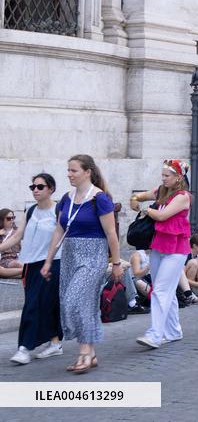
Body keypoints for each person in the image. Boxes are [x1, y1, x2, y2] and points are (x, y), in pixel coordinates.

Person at [41, 155, 122, 374]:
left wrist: (116, 262)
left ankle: (85, 353)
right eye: (68, 170)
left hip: (93, 255)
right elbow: (59, 230)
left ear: (87, 172)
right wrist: (48, 260)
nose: (69, 174)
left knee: (74, 300)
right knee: (77, 304)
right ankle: (90, 353)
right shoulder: (66, 198)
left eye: (74, 170)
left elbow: (111, 233)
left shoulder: (100, 198)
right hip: (70, 255)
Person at [3, 174, 63, 364]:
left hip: (52, 263)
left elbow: (63, 237)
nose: (35, 190)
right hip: (31, 264)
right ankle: (55, 343)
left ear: (51, 189)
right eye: (33, 187)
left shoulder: (58, 210)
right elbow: (16, 237)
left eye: (40, 186)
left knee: (36, 303)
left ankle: (24, 348)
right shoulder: (30, 211)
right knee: (39, 302)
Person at [135, 159, 193, 349]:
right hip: (159, 245)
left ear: (178, 177)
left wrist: (146, 209)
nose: (163, 178)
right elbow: (139, 196)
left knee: (160, 290)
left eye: (167, 176)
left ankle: (155, 334)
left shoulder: (183, 196)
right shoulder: (160, 190)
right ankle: (173, 331)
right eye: (162, 175)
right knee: (167, 291)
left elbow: (162, 216)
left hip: (177, 249)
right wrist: (135, 201)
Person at [0, 208, 22, 278]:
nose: (12, 220)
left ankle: (12, 275)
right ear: (2, 220)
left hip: (17, 257)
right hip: (4, 259)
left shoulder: (17, 231)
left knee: (19, 263)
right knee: (16, 264)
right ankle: (26, 272)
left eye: (13, 218)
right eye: (9, 218)